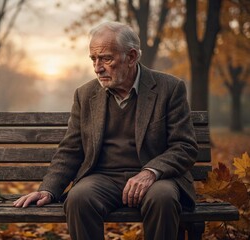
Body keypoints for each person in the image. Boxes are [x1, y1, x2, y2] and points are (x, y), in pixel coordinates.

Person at [13, 21, 198, 240]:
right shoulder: (85, 94)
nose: (97, 68)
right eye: (93, 59)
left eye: (106, 58)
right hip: (103, 178)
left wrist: (150, 172)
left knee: (163, 198)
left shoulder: (169, 88)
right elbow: (71, 150)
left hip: (156, 179)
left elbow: (184, 146)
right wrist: (48, 189)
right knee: (79, 198)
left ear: (131, 57)